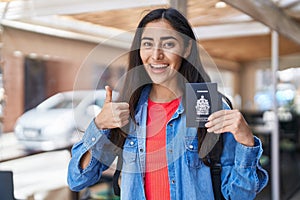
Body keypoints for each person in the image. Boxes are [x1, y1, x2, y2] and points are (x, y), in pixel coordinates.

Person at [67, 8, 268, 200]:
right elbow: (78, 179)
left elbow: (239, 195)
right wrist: (99, 125)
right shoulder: (127, 109)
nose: (156, 55)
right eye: (147, 44)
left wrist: (246, 142)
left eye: (169, 44)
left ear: (187, 48)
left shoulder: (210, 108)